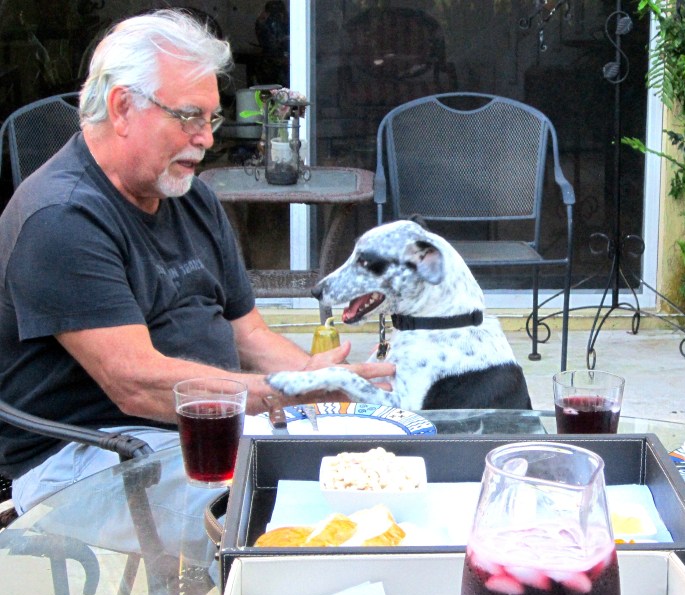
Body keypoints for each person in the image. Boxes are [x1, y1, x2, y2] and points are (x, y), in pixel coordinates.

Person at [0, 9, 393, 516]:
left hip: (199, 428)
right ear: (122, 108)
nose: (206, 138)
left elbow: (249, 335)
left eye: (211, 119)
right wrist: (288, 394)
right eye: (188, 116)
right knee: (290, 509)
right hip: (88, 454)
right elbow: (137, 384)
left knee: (366, 466)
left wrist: (321, 381)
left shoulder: (189, 196)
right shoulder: (62, 217)